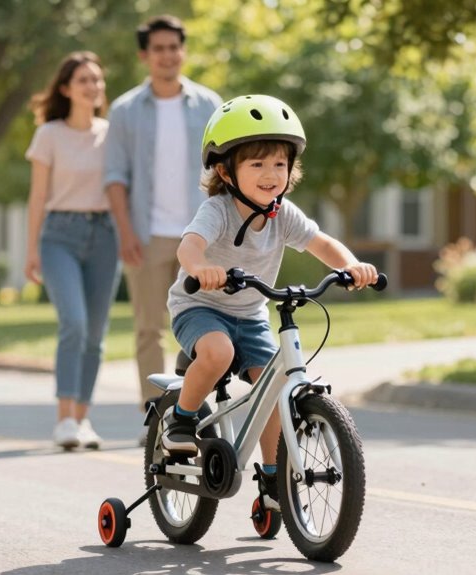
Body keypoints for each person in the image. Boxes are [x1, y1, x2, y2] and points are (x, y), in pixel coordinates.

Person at [163, 95, 379, 509]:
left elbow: (321, 243)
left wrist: (351, 266)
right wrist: (201, 268)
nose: (270, 174)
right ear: (226, 170)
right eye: (257, 164)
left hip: (250, 313)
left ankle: (273, 476)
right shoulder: (218, 211)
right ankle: (182, 419)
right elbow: (188, 248)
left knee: (275, 385)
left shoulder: (284, 215)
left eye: (279, 164)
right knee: (219, 352)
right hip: (200, 308)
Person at [104, 15, 223, 430]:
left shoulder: (210, 105)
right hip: (147, 234)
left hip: (201, 235)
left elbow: (223, 172)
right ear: (145, 55)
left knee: (203, 325)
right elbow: (115, 177)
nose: (168, 55)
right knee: (148, 330)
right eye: (159, 49)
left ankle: (192, 414)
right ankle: (155, 420)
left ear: (183, 51)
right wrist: (125, 231)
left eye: (174, 47)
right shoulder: (124, 111)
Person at [25, 51, 120, 450]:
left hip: (104, 235)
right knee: (75, 324)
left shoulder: (112, 134)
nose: (92, 86)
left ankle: (82, 420)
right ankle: (63, 418)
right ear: (66, 88)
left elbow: (122, 191)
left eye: (96, 80)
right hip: (59, 235)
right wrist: (31, 250)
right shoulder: (49, 134)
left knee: (96, 335)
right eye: (83, 80)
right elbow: (38, 195)